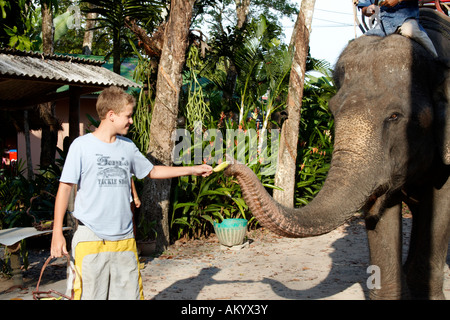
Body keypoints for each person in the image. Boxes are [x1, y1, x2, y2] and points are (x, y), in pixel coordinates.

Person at [50, 86, 212, 300]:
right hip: (90, 237)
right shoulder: (81, 146)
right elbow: (65, 188)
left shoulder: (127, 147)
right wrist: (56, 233)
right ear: (111, 115)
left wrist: (192, 169)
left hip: (125, 240)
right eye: (128, 116)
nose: (131, 121)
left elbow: (152, 171)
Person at [358, 0, 438, 57]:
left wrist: (398, 0)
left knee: (411, 32)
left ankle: (436, 61)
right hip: (382, 25)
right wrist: (369, 9)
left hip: (406, 20)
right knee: (359, 43)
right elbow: (364, 10)